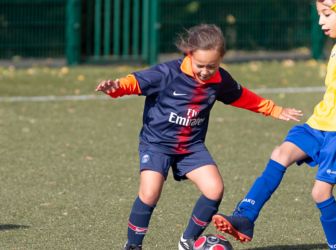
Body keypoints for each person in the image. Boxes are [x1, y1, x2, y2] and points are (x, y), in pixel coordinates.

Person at [95, 24, 302, 250]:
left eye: (211, 67)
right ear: (189, 54)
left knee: (214, 189)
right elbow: (134, 81)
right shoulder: (167, 74)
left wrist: (273, 109)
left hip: (191, 147)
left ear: (221, 59)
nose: (205, 71)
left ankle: (187, 241)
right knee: (150, 192)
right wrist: (115, 87)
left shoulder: (220, 80)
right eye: (200, 65)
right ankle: (133, 245)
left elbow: (242, 97)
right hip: (157, 144)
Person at [212, 1, 336, 250]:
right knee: (281, 153)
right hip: (321, 122)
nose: (321, 21)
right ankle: (245, 217)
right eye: (319, 14)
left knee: (320, 194)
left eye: (327, 14)